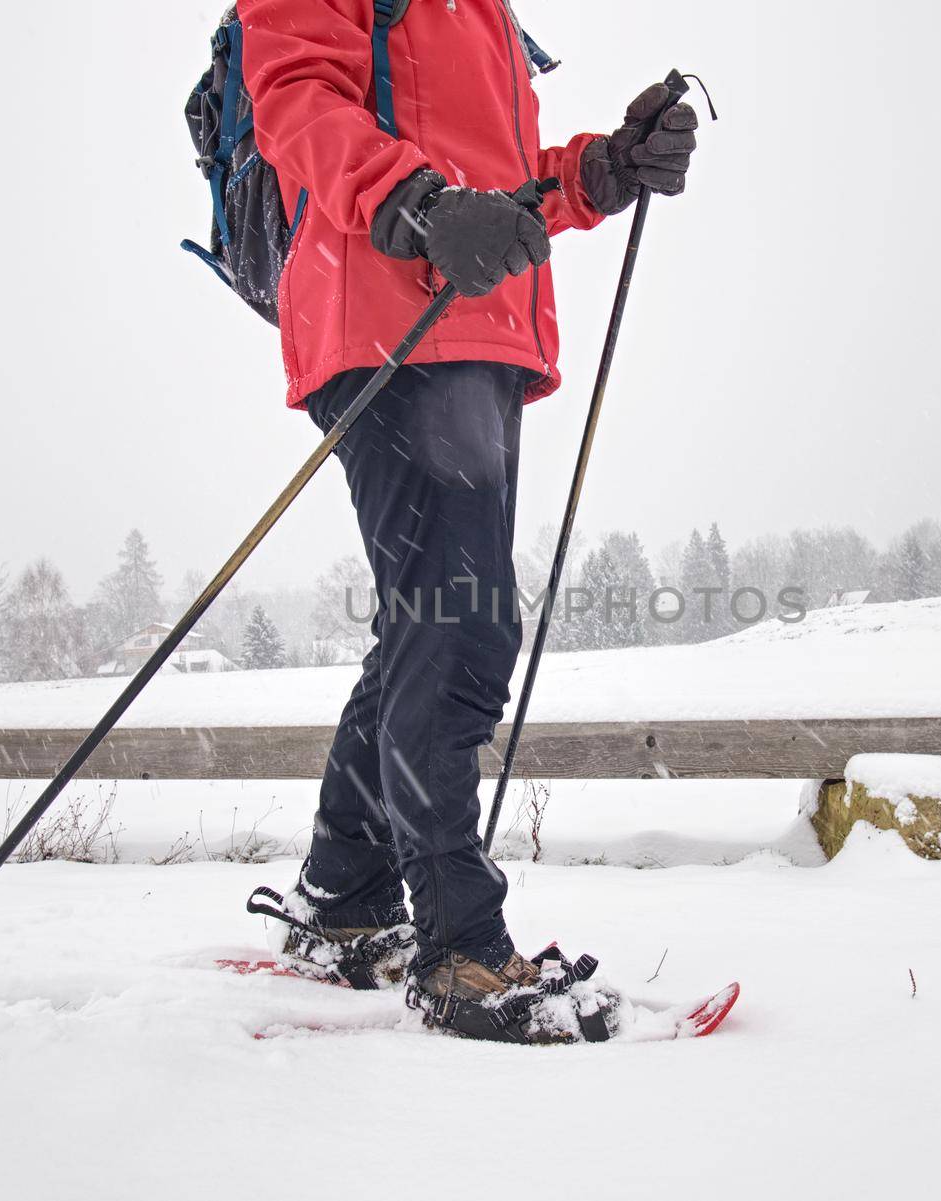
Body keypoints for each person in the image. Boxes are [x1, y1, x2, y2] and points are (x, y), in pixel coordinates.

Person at [238, 0, 697, 1042]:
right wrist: (414, 205)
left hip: (475, 331)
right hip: (386, 322)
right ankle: (459, 951)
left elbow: (489, 184)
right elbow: (294, 100)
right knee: (459, 628)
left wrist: (601, 170)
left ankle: (345, 900)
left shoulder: (478, 13)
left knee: (424, 626)